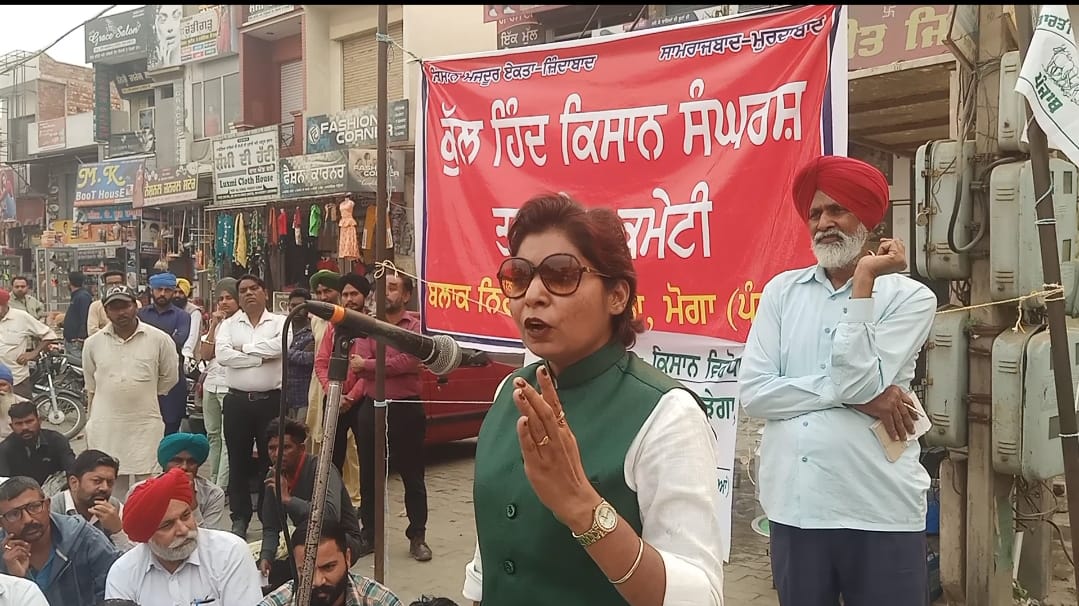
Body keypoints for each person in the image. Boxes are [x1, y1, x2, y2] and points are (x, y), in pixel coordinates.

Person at [461, 194, 725, 605]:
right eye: (519, 276)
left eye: (561, 274)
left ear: (616, 296)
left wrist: (582, 506)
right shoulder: (510, 392)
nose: (533, 294)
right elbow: (492, 554)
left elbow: (700, 596)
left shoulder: (666, 414)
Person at [740, 155, 938, 606]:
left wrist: (864, 280)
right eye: (815, 213)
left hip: (880, 508)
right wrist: (854, 397)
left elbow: (857, 384)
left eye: (837, 210)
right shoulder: (782, 293)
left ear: (868, 219)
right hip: (797, 509)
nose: (824, 223)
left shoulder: (911, 298)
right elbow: (755, 394)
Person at [341, 273, 430, 561]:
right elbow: (356, 366)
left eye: (392, 287)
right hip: (372, 407)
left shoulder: (414, 326)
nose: (386, 293)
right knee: (369, 476)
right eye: (382, 287)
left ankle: (417, 536)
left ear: (406, 295)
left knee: (412, 476)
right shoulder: (367, 325)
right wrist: (377, 366)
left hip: (406, 408)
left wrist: (370, 365)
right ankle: (370, 535)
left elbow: (411, 360)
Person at [105, 468, 264, 605]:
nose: (183, 529)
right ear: (147, 537)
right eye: (167, 525)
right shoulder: (123, 573)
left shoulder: (230, 552)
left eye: (186, 516)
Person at [83, 285, 179, 501]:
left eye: (125, 306)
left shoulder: (159, 339)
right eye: (114, 307)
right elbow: (91, 384)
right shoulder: (92, 343)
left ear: (136, 305)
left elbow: (169, 378)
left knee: (149, 488)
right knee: (109, 487)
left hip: (145, 425)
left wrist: (141, 393)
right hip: (106, 426)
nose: (121, 312)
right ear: (106, 311)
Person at [214, 274, 285, 538]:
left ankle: (270, 517)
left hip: (271, 401)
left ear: (265, 292)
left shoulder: (280, 322)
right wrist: (258, 358)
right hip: (237, 402)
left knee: (272, 460)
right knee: (238, 460)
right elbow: (223, 355)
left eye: (254, 288)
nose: (248, 293)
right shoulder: (228, 324)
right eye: (243, 290)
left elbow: (280, 347)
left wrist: (242, 348)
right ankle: (240, 517)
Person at [259, 418, 362, 588]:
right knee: (274, 575)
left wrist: (288, 500)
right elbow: (271, 526)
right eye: (272, 448)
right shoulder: (273, 476)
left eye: (286, 447)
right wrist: (266, 556)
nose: (277, 454)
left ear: (301, 449)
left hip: (342, 538)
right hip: (306, 537)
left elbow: (330, 516)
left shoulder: (322, 469)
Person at [0, 476, 121, 604]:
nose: (28, 519)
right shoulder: (3, 556)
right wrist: (16, 582)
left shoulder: (84, 538)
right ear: (1, 523)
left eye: (34, 507)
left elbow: (116, 593)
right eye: (14, 514)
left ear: (48, 505)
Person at [306, 270, 362, 507]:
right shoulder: (316, 320)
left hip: (351, 389)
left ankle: (355, 497)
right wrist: (331, 391)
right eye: (318, 292)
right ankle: (329, 496)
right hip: (322, 387)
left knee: (351, 447)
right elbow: (320, 359)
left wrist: (348, 395)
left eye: (327, 291)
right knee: (322, 439)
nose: (323, 296)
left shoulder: (353, 322)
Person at [258, 520, 402, 606]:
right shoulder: (277, 603)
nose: (318, 581)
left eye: (328, 567)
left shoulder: (380, 601)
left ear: (347, 558)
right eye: (305, 571)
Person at [129, 433, 226, 530]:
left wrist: (192, 503)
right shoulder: (139, 490)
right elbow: (134, 533)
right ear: (165, 464)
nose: (184, 467)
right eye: (177, 461)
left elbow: (210, 536)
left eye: (191, 462)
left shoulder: (213, 494)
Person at [198, 278, 239, 489]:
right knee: (213, 436)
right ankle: (213, 480)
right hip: (211, 385)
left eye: (229, 298)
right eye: (221, 299)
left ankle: (221, 487)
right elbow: (205, 354)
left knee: (226, 438)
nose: (224, 302)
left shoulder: (241, 323)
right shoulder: (219, 323)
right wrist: (214, 324)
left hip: (229, 386)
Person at [138, 273, 191, 436]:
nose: (162, 293)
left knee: (171, 426)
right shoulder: (140, 314)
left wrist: (147, 342)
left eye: (167, 290)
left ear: (173, 291)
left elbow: (178, 340)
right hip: (144, 376)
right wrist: (166, 338)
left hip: (172, 379)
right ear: (151, 290)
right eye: (159, 289)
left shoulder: (182, 316)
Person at [52, 449, 134, 552]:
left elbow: (136, 556)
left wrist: (117, 531)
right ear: (74, 483)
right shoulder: (52, 511)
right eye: (97, 481)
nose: (104, 488)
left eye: (110, 482)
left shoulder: (114, 508)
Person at [0, 401, 75, 488]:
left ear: (39, 421)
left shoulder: (56, 440)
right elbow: (3, 483)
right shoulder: (5, 449)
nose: (25, 427)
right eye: (19, 424)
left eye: (29, 421)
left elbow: (72, 470)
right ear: (12, 426)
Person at [0, 288, 58, 399]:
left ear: (6, 304)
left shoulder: (21, 317)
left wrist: (33, 353)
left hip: (17, 379)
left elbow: (49, 335)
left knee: (22, 408)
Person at [285, 289, 314, 421]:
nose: (296, 309)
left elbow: (310, 358)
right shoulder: (282, 328)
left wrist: (282, 351)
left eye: (300, 306)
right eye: (293, 305)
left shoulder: (314, 331)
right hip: (282, 397)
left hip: (304, 396)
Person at [88, 270, 132, 337]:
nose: (114, 286)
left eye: (117, 283)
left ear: (123, 284)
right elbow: (92, 331)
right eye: (110, 284)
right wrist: (113, 335)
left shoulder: (133, 304)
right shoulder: (95, 306)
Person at [173, 278, 202, 371]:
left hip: (188, 358)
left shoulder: (194, 311)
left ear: (186, 294)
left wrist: (186, 354)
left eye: (181, 292)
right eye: (175, 292)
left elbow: (193, 335)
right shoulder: (170, 310)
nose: (177, 295)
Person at [63, 272, 92, 359]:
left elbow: (85, 317)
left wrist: (81, 337)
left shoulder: (82, 297)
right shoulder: (76, 296)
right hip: (70, 341)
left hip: (76, 343)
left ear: (70, 282)